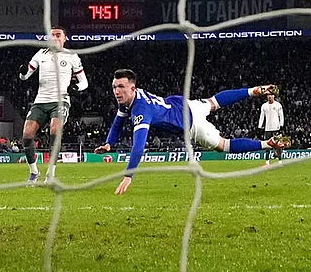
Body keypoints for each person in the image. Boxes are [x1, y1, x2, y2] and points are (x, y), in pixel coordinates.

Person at [94, 69, 292, 195]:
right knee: (214, 101)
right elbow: (118, 121)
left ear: (132, 88)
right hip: (183, 104)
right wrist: (109, 143)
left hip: (190, 123)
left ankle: (268, 144)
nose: (116, 91)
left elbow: (138, 146)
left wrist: (129, 175)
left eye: (121, 86)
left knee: (224, 145)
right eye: (114, 87)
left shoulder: (140, 110)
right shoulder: (132, 98)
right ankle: (254, 90)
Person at [18, 26, 88, 184]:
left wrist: (76, 88)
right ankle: (34, 172)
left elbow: (84, 82)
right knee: (27, 134)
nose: (55, 38)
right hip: (41, 100)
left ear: (64, 38)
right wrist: (22, 72)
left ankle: (50, 173)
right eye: (52, 35)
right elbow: (25, 76)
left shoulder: (72, 57)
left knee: (55, 130)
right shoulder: (40, 55)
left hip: (60, 100)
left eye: (58, 35)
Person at [258, 92, 285, 166]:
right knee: (267, 146)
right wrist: (259, 127)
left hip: (276, 128)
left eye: (271, 95)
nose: (270, 97)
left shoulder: (278, 105)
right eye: (268, 95)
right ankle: (267, 162)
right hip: (267, 129)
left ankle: (280, 162)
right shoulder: (264, 106)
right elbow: (262, 117)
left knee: (278, 145)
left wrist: (281, 125)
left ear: (274, 96)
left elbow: (281, 116)